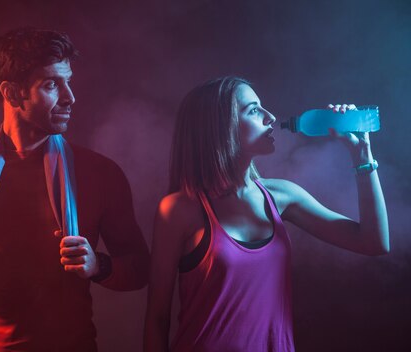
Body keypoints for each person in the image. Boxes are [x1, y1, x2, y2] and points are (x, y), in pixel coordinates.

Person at [0, 27, 150, 351]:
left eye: (68, 81)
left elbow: (140, 268)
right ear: (11, 93)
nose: (70, 96)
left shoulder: (100, 174)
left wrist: (99, 265)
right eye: (52, 84)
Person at [144, 76, 389, 351]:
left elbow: (373, 242)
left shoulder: (282, 196)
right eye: (253, 110)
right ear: (219, 127)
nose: (270, 117)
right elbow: (157, 319)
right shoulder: (179, 210)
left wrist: (362, 155)